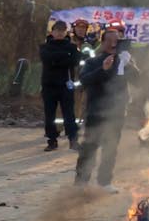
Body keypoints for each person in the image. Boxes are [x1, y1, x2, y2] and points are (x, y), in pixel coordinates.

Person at [74, 27, 134, 189]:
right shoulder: (93, 61)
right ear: (103, 42)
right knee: (89, 148)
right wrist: (103, 69)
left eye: (117, 40)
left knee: (111, 149)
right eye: (110, 40)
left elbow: (138, 79)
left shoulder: (125, 60)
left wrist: (129, 65)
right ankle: (81, 182)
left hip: (116, 112)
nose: (114, 43)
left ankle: (104, 182)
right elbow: (85, 80)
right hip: (96, 112)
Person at [38, 19, 80, 152]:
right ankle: (52, 140)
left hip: (65, 85)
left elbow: (74, 60)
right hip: (49, 85)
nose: (60, 33)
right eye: (57, 30)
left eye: (62, 30)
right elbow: (47, 59)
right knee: (49, 114)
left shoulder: (72, 47)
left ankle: (73, 139)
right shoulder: (44, 47)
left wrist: (57, 59)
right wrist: (64, 57)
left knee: (69, 113)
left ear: (66, 32)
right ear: (52, 32)